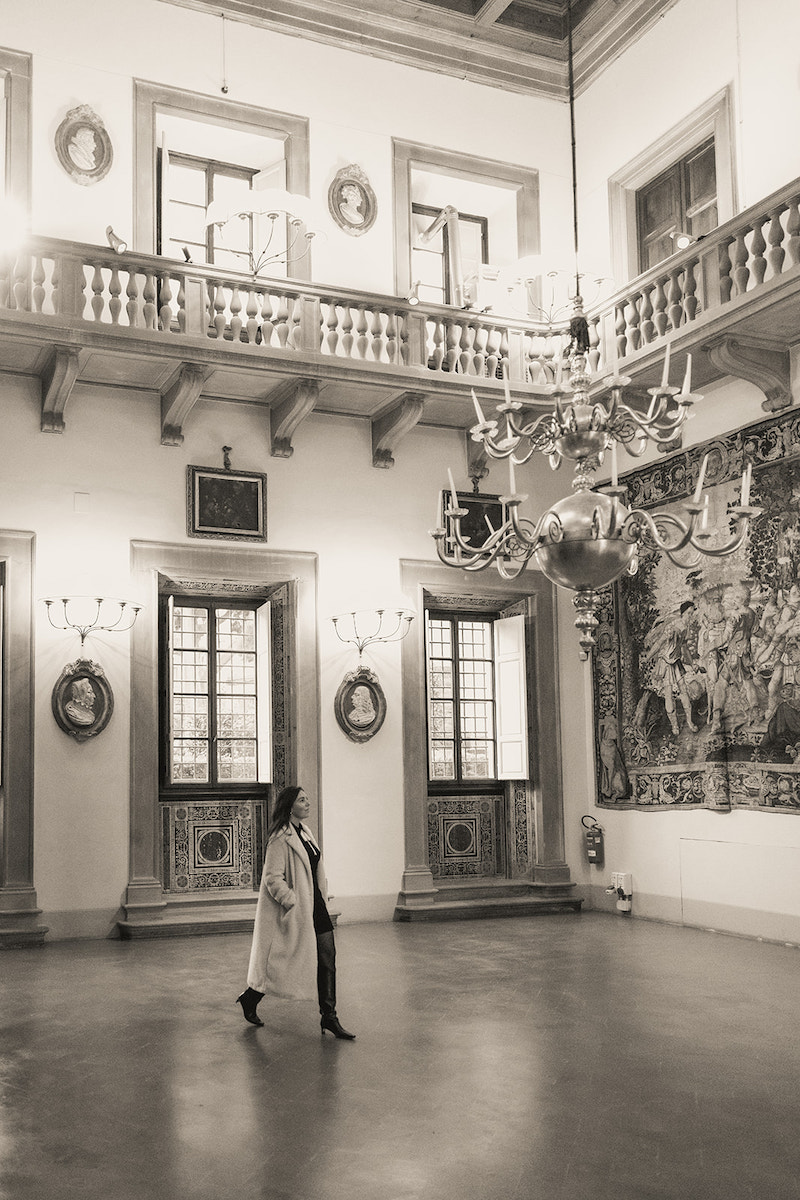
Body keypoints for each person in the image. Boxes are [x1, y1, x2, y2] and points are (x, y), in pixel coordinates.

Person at [236, 785, 355, 1040]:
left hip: (316, 904)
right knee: (280, 962)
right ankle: (251, 996)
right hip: (299, 907)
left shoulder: (306, 832)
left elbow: (313, 869)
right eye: (302, 800)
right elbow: (272, 877)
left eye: (308, 799)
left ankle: (329, 1016)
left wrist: (318, 894)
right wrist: (292, 901)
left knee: (327, 957)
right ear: (290, 806)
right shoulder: (280, 838)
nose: (308, 803)